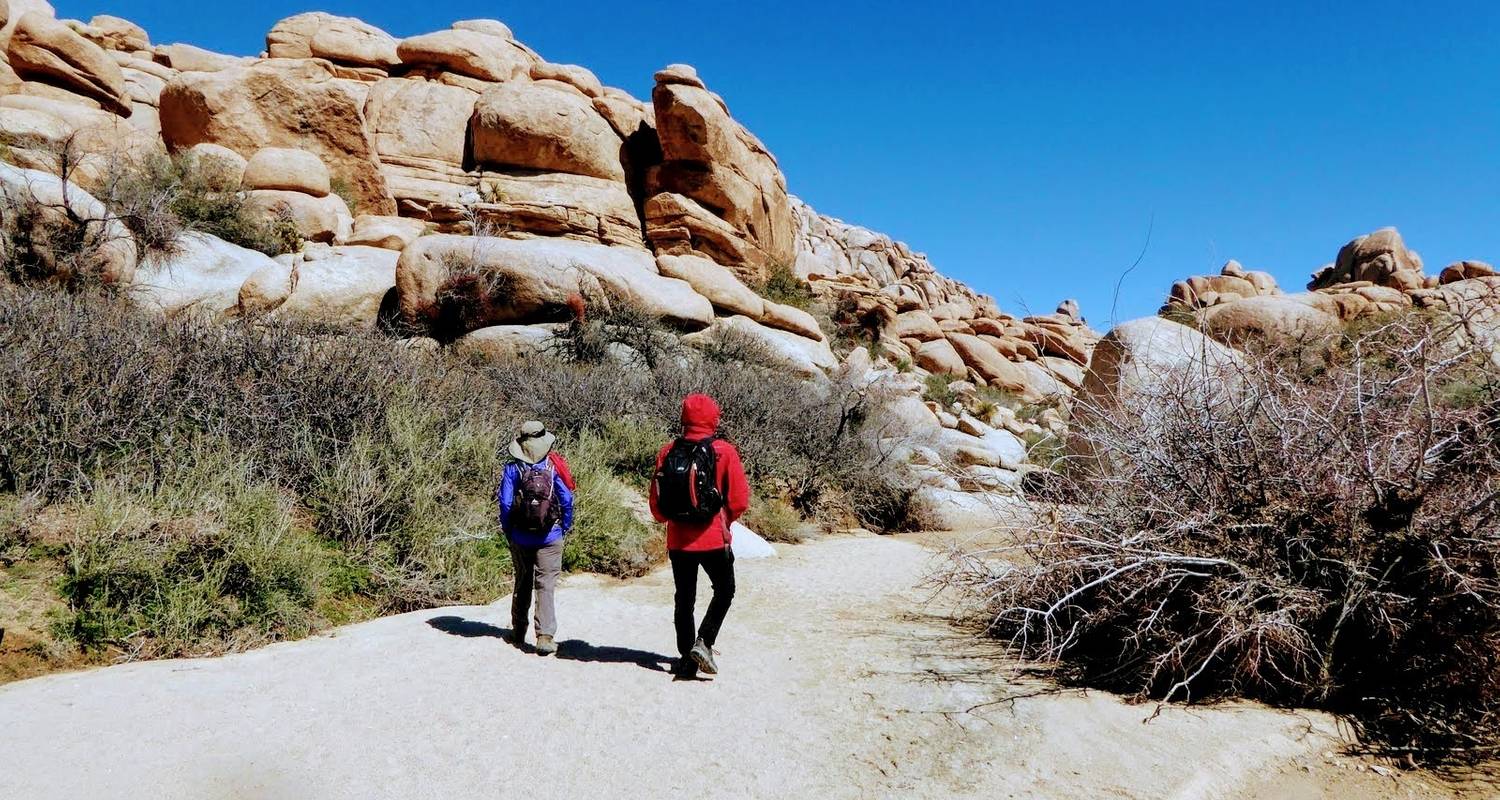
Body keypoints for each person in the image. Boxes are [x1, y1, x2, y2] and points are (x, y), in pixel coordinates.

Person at [649, 394, 750, 678]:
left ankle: (686, 658)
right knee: (725, 590)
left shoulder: (668, 451)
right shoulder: (724, 451)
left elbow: (657, 507)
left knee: (684, 599)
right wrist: (724, 519)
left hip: (679, 540)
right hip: (713, 538)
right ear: (713, 419)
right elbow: (740, 499)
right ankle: (703, 643)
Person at [497, 420, 575, 656]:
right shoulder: (553, 466)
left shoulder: (513, 469)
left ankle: (518, 630)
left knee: (522, 580)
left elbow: (505, 503)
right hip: (550, 535)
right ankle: (544, 636)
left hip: (520, 536)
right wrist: (565, 526)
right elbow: (567, 499)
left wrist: (509, 530)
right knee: (546, 584)